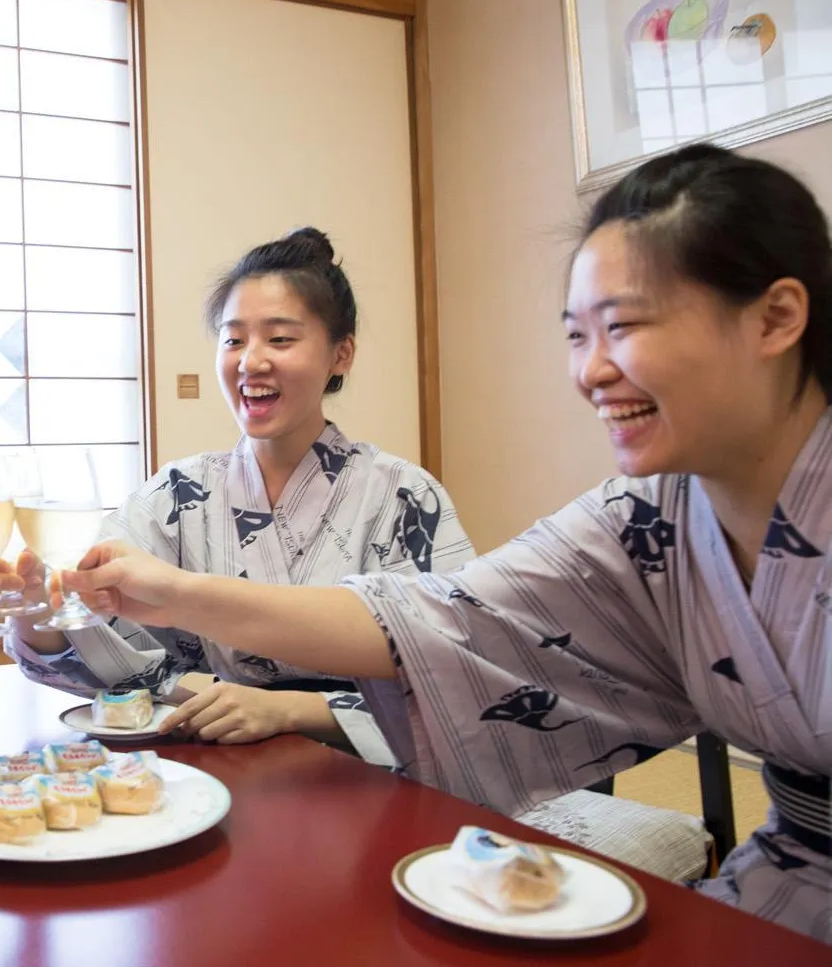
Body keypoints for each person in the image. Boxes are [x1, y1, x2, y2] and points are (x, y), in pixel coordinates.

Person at [64, 145, 832, 942]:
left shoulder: (404, 493)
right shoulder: (645, 519)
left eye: (625, 327)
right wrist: (99, 603)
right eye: (577, 335)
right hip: (235, 786)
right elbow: (438, 620)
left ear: (776, 318)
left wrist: (284, 699)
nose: (591, 371)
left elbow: (432, 647)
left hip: (367, 782)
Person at [3, 228, 471, 761]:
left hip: (368, 773)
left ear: (341, 354)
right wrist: (36, 611)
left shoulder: (402, 497)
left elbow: (455, 672)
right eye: (233, 340)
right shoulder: (179, 494)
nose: (251, 361)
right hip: (216, 765)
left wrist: (292, 710)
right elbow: (99, 642)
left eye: (280, 339)